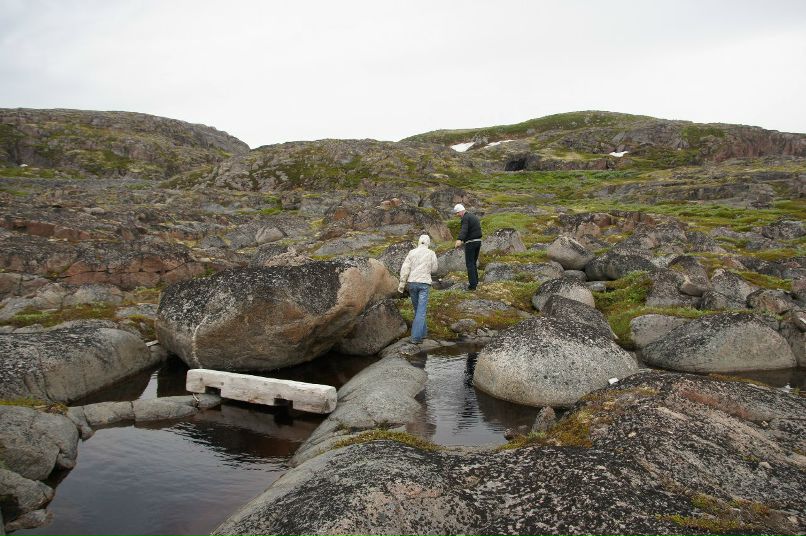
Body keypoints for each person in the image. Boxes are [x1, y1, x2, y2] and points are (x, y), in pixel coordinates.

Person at [398, 234, 439, 344]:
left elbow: (405, 268)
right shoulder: (431, 253)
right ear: (428, 242)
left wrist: (402, 284)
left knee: (418, 310)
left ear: (419, 241)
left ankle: (423, 333)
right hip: (424, 284)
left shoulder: (412, 252)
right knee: (421, 311)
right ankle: (416, 338)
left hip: (412, 283)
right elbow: (434, 269)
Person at [452, 203, 482, 290]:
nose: (457, 215)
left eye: (457, 213)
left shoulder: (465, 218)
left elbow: (464, 229)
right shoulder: (473, 216)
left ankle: (472, 286)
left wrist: (459, 239)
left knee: (469, 264)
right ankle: (476, 282)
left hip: (471, 243)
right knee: (473, 263)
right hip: (478, 242)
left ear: (461, 211)